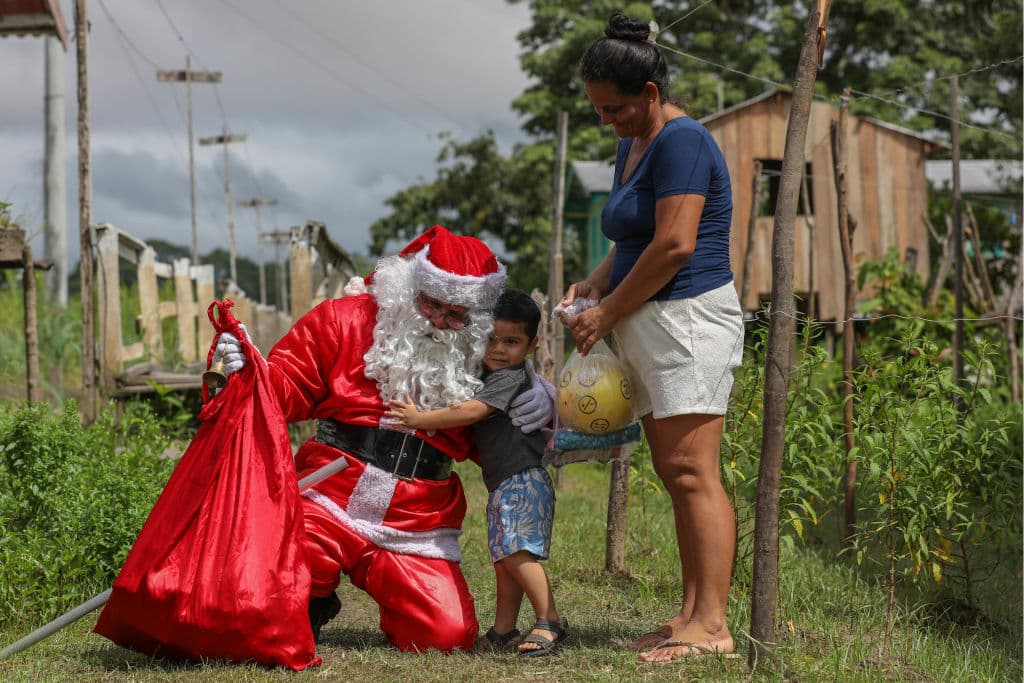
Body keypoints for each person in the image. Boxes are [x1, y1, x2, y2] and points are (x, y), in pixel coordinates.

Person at [212, 225, 555, 654]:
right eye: (430, 303)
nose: (438, 322)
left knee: (444, 638)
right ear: (409, 286)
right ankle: (309, 601)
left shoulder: (482, 354)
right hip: (328, 495)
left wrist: (540, 394)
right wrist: (250, 372)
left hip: (416, 517)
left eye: (456, 315)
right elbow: (289, 386)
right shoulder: (344, 319)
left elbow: (499, 429)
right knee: (267, 596)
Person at [563, 11, 745, 664]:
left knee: (695, 471)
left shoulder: (683, 140)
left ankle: (715, 625)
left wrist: (605, 315)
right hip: (652, 322)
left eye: (614, 109)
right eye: (598, 111)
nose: (607, 121)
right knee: (674, 472)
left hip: (690, 320)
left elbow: (674, 244)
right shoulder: (631, 144)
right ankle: (691, 613)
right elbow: (634, 238)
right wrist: (594, 283)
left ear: (647, 94)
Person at [386, 289, 568, 657]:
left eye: (512, 341)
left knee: (517, 554)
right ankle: (503, 630)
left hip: (523, 479)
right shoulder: (494, 371)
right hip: (505, 482)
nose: (499, 349)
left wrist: (422, 420)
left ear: (532, 345)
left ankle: (551, 619)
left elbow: (472, 411)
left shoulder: (508, 377)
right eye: (490, 339)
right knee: (504, 558)